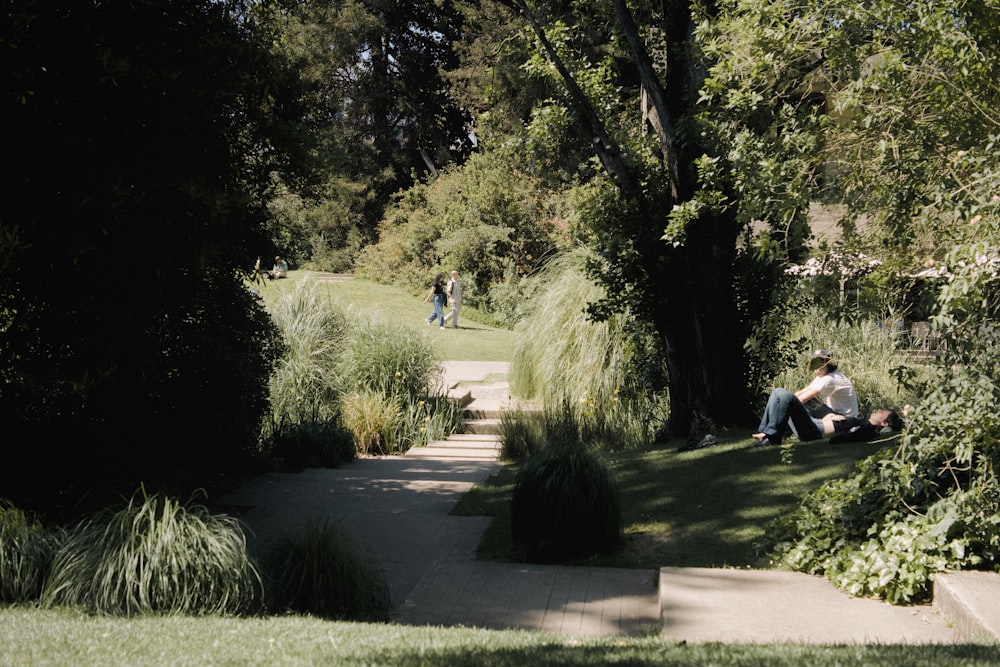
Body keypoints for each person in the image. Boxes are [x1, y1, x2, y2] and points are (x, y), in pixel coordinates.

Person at [752, 387, 904, 446]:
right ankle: (765, 434)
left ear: (885, 423)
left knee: (787, 397)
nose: (878, 410)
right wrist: (832, 418)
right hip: (816, 424)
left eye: (882, 412)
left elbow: (850, 436)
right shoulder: (863, 421)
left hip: (814, 431)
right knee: (778, 392)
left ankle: (771, 436)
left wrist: (835, 435)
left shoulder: (867, 428)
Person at [795, 349, 858, 418]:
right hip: (835, 413)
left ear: (828, 364)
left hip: (844, 418)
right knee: (806, 401)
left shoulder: (830, 379)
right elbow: (804, 391)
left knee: (808, 402)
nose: (817, 369)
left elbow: (803, 399)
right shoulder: (823, 375)